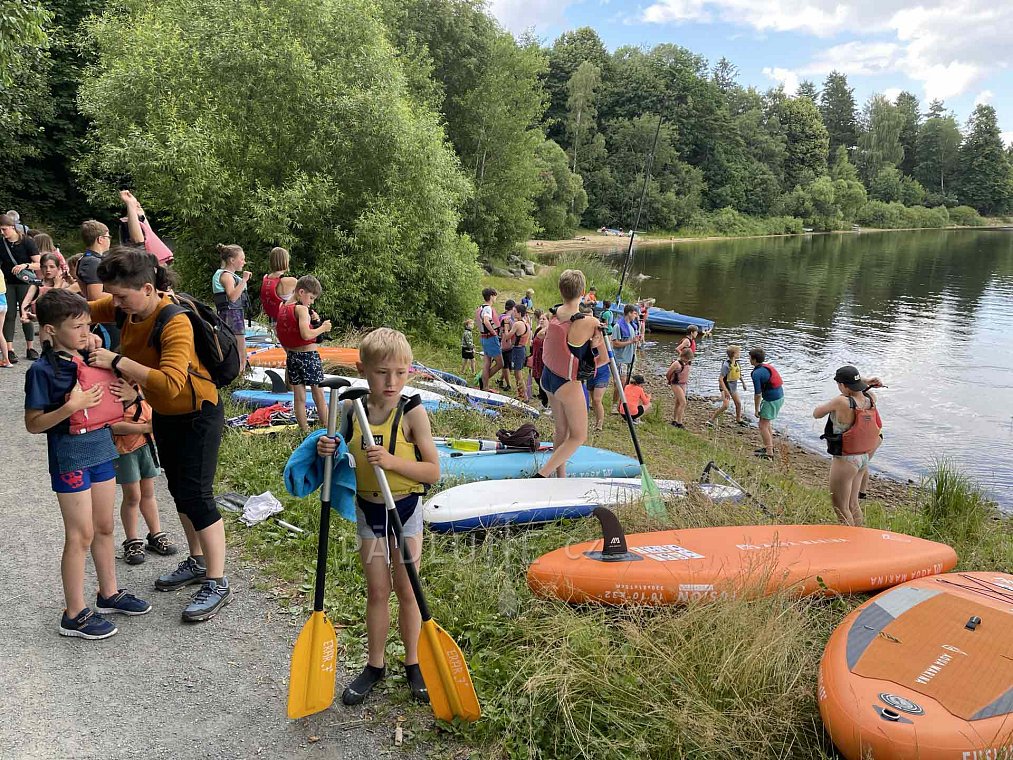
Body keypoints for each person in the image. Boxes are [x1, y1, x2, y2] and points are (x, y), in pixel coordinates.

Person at [86, 247, 231, 623]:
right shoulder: (125, 306)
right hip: (166, 416)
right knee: (179, 492)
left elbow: (170, 383)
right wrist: (55, 312)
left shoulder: (174, 320)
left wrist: (116, 360)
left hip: (198, 413)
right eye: (112, 295)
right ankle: (198, 562)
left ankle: (218, 582)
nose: (114, 303)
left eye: (121, 296)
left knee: (198, 495)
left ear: (148, 288)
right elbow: (84, 309)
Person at [316, 328, 440, 707]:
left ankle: (413, 662)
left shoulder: (412, 411)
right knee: (378, 590)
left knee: (407, 590)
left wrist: (392, 461)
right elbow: (338, 454)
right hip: (369, 511)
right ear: (362, 369)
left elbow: (433, 471)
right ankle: (375, 665)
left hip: (405, 511)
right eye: (382, 372)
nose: (391, 382)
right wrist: (326, 448)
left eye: (401, 373)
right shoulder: (353, 410)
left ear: (410, 373)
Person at [25, 289, 152, 639]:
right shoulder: (41, 371)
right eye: (76, 327)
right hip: (70, 456)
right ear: (50, 330)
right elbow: (33, 423)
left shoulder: (93, 358)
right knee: (79, 535)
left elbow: (123, 389)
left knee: (105, 527)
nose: (84, 333)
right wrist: (71, 406)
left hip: (102, 449)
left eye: (87, 325)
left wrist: (131, 395)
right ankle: (74, 612)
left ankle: (108, 594)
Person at [535, 269, 608, 477]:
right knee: (578, 436)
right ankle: (542, 475)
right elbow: (603, 359)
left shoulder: (554, 313)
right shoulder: (590, 322)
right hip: (567, 383)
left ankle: (561, 476)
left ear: (561, 290)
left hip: (547, 378)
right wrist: (594, 346)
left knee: (562, 431)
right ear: (583, 291)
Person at [109, 379, 178, 565]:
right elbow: (112, 426)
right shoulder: (114, 388)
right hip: (125, 450)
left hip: (146, 446)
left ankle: (156, 534)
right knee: (132, 496)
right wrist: (145, 427)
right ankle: (132, 540)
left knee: (148, 493)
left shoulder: (144, 386)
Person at [812, 366, 884, 526]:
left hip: (845, 459)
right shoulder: (870, 398)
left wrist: (855, 384)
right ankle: (860, 539)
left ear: (843, 385)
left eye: (839, 384)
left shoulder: (840, 401)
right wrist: (862, 381)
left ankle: (849, 543)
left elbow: (816, 413)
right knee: (853, 504)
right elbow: (859, 388)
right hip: (863, 457)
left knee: (841, 507)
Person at [275, 275, 331, 433]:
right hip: (308, 357)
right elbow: (306, 335)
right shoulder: (301, 309)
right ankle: (327, 428)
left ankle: (304, 430)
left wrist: (315, 321)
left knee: (299, 397)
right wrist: (323, 327)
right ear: (301, 292)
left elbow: (280, 332)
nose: (311, 302)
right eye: (311, 297)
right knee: (318, 394)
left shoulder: (283, 308)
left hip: (292, 356)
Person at [1, 213, 41, 362]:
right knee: (9, 315)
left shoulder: (27, 242)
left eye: (4, 229)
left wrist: (25, 265)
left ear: (13, 227)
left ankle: (30, 347)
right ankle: (10, 349)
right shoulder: (1, 243)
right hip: (8, 282)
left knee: (25, 314)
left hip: (25, 282)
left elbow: (39, 263)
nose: (2, 232)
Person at [76, 220, 119, 350]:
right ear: (100, 239)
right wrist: (123, 295)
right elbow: (95, 295)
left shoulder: (87, 259)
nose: (109, 240)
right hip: (103, 322)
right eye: (108, 237)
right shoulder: (92, 262)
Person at [211, 244, 251, 373]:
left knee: (240, 350)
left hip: (234, 314)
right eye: (242, 259)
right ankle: (239, 377)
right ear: (232, 260)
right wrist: (244, 280)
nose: (244, 262)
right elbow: (233, 297)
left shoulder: (228, 275)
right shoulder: (226, 276)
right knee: (240, 352)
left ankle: (239, 375)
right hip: (231, 315)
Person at [749, 348, 784, 460]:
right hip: (779, 397)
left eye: (750, 358)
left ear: (754, 360)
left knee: (762, 425)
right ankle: (769, 447)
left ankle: (769, 453)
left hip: (771, 400)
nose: (749, 359)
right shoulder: (766, 367)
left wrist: (756, 409)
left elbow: (758, 394)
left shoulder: (756, 374)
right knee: (767, 423)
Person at [20, 252, 71, 328]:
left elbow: (53, 302)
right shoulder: (37, 284)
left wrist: (58, 285)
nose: (48, 270)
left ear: (58, 268)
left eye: (52, 267)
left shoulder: (65, 284)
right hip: (44, 324)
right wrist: (24, 314)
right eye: (44, 267)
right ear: (41, 268)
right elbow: (26, 302)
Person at [707, 345, 746, 427]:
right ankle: (711, 420)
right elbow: (720, 379)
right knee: (725, 406)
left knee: (738, 403)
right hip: (725, 386)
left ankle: (738, 419)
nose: (740, 354)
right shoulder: (726, 365)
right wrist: (725, 391)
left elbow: (738, 374)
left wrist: (743, 383)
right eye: (739, 352)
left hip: (733, 387)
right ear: (734, 354)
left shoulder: (737, 363)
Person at [611, 304, 640, 409]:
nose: (636, 316)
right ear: (629, 313)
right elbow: (615, 344)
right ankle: (614, 404)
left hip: (631, 358)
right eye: (635, 313)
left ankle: (622, 405)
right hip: (621, 359)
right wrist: (631, 341)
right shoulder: (618, 326)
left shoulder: (633, 326)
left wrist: (636, 342)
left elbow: (633, 341)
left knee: (627, 383)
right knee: (620, 383)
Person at [260, 246, 297, 327]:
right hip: (287, 322)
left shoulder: (265, 278)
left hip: (271, 322)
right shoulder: (291, 281)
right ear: (285, 261)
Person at [476, 288, 502, 391]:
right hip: (490, 338)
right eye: (495, 296)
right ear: (491, 296)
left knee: (487, 363)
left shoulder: (480, 308)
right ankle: (483, 381)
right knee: (500, 363)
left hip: (484, 338)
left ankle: (485, 386)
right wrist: (494, 333)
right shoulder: (487, 308)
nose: (495, 298)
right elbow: (486, 321)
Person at [507, 303, 531, 400]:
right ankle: (521, 394)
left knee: (518, 374)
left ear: (520, 313)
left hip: (517, 349)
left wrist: (505, 326)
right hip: (522, 348)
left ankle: (524, 395)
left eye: (515, 311)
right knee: (518, 372)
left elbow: (508, 336)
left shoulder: (517, 324)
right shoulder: (527, 324)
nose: (513, 313)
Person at [666, 347, 694, 428]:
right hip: (676, 384)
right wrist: (669, 381)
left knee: (678, 402)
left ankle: (674, 420)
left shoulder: (688, 363)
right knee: (683, 402)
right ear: (682, 356)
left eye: (688, 359)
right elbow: (668, 374)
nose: (687, 360)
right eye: (686, 359)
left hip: (683, 384)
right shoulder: (676, 364)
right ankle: (679, 422)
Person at [529, 309, 549, 410]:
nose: (541, 320)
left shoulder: (549, 331)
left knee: (543, 380)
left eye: (544, 319)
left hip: (544, 359)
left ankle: (546, 403)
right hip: (537, 357)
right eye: (540, 319)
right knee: (537, 378)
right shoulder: (538, 329)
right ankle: (544, 401)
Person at [498, 299, 517, 391]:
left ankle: (500, 380)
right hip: (506, 344)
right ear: (513, 308)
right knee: (506, 365)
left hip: (505, 343)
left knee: (507, 364)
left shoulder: (502, 316)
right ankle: (508, 384)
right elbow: (506, 333)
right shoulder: (507, 319)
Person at [0, 269, 11, 367]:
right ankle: (6, 360)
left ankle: (6, 360)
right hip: (3, 303)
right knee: (0, 333)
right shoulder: (0, 271)